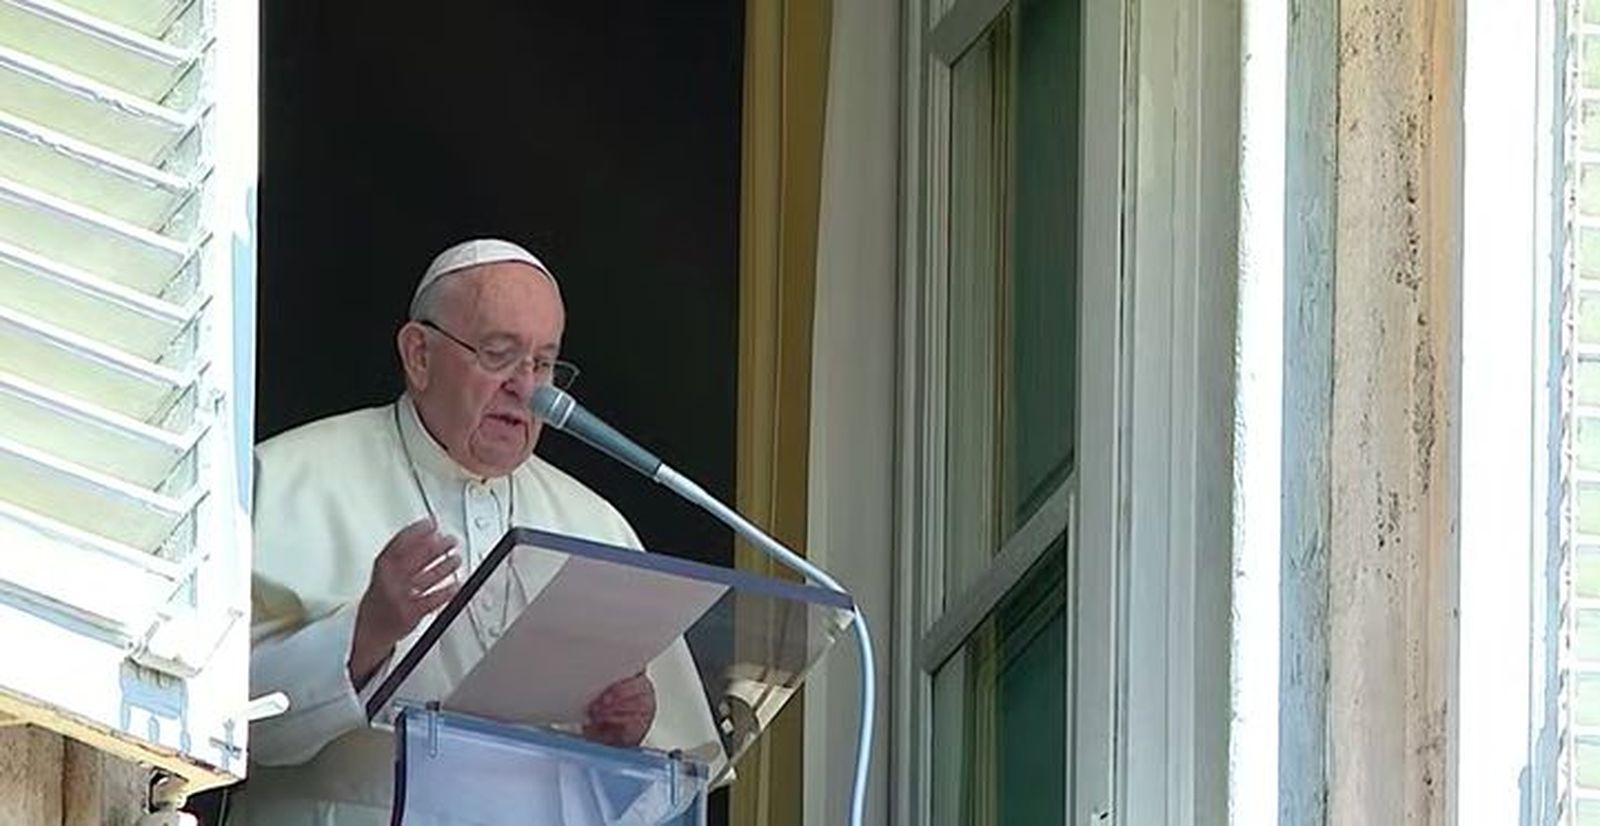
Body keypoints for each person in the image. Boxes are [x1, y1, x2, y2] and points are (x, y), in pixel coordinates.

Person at [229, 239, 720, 824]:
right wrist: (365, 635)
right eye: (498, 354)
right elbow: (217, 722)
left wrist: (626, 737)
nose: (528, 387)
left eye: (544, 362)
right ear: (419, 355)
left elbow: (669, 786)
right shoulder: (285, 479)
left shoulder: (595, 524)